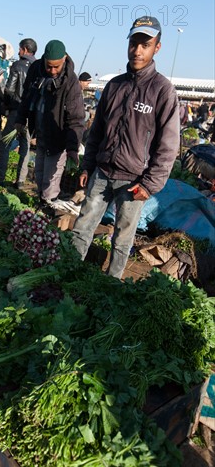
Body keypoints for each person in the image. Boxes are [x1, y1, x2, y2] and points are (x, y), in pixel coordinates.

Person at [71, 16, 180, 279]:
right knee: (82, 228)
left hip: (134, 181)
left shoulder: (162, 91)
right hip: (102, 172)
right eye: (134, 43)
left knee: (122, 239)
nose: (138, 50)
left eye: (145, 44)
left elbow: (168, 145)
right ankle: (69, 273)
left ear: (157, 47)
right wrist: (88, 165)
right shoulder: (114, 85)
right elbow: (96, 131)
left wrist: (150, 184)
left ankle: (113, 285)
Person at [15, 39, 85, 205]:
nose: (52, 71)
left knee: (51, 178)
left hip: (58, 136)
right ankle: (41, 202)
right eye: (49, 66)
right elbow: (26, 96)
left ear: (64, 60)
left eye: (56, 67)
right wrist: (20, 118)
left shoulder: (71, 82)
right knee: (39, 173)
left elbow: (76, 118)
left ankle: (48, 207)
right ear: (44, 59)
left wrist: (73, 148)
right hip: (40, 132)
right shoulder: (35, 70)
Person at [0, 38, 37, 189]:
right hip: (31, 115)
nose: (18, 52)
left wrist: (7, 106)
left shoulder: (17, 65)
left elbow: (9, 89)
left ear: (25, 49)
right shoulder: (38, 67)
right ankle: (20, 181)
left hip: (16, 112)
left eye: (19, 49)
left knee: (5, 144)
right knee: (25, 146)